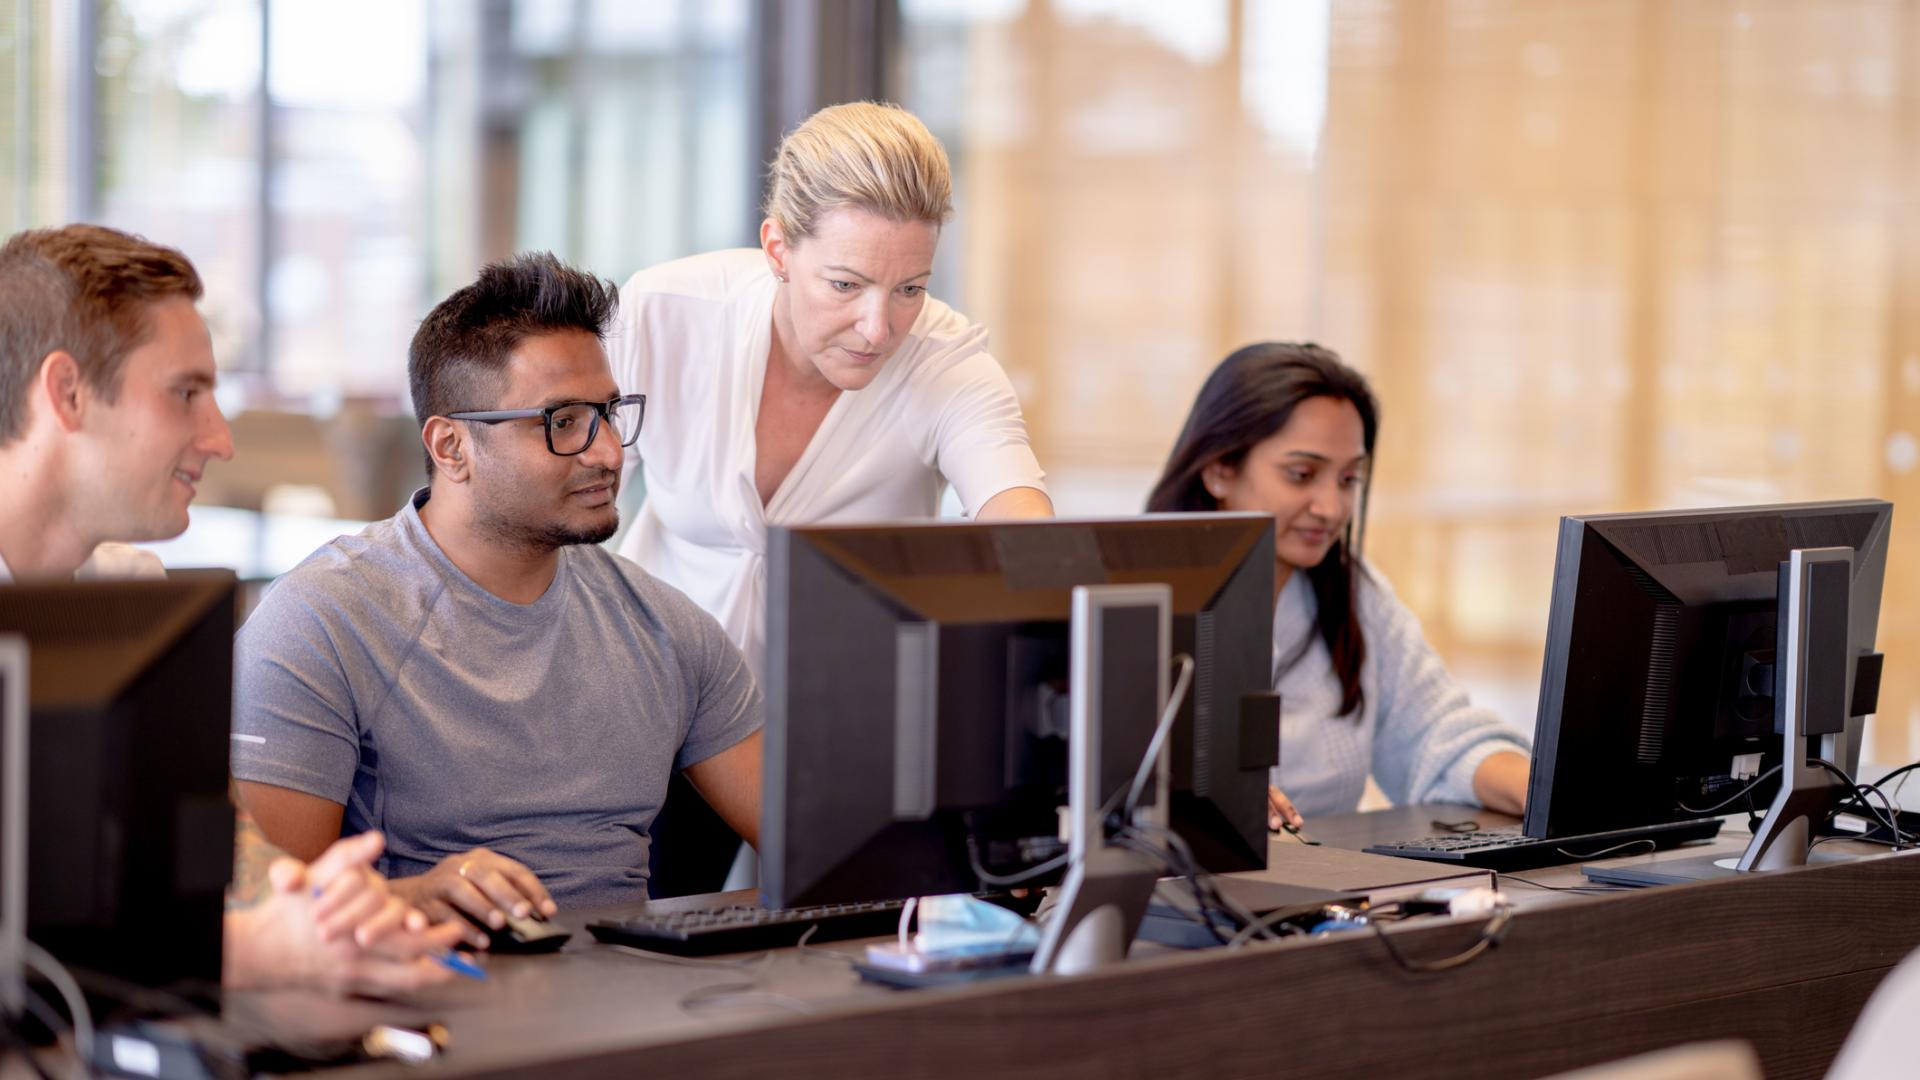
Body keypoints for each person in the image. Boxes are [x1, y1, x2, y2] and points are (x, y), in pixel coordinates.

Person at [231, 252, 763, 932]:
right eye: (564, 422)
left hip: (636, 1004)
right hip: (438, 1000)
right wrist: (411, 899)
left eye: (608, 413)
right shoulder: (322, 622)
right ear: (451, 447)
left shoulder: (667, 626)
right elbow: (265, 916)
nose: (607, 453)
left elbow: (828, 850)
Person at [0, 223, 463, 994]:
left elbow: (226, 856)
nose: (219, 439)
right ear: (67, 393)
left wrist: (339, 906)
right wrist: (249, 956)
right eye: (186, 393)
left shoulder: (130, 594)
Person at [609, 101, 1052, 680]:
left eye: (910, 289)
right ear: (778, 250)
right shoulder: (663, 313)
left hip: (843, 725)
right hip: (650, 697)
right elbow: (559, 505)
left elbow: (1027, 533)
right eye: (846, 285)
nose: (878, 328)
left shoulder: (947, 363)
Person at [1146, 343, 1531, 828]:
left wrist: (1547, 790)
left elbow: (1438, 735)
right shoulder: (1135, 602)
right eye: (1302, 475)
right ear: (1221, 469)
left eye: (1349, 479)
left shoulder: (1354, 595)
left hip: (1332, 891)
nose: (1331, 507)